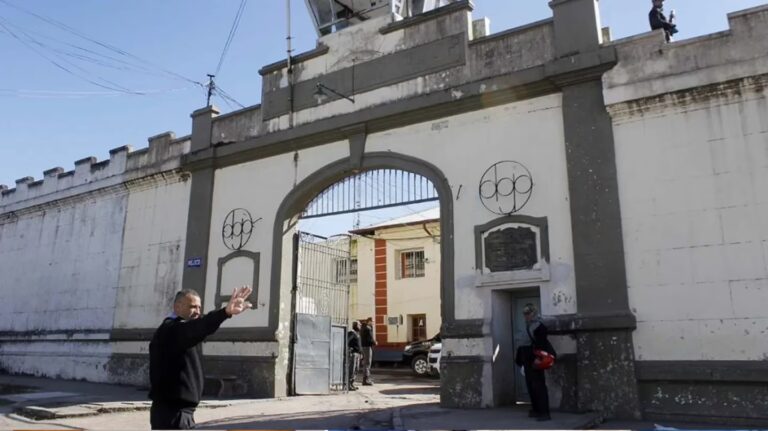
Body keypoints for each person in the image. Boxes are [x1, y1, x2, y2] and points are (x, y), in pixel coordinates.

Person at [149, 286, 253, 429]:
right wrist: (225, 312)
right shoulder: (172, 329)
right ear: (177, 307)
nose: (197, 311)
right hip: (173, 414)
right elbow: (198, 327)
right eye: (193, 307)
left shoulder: (177, 329)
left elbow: (198, 327)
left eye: (199, 307)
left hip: (177, 413)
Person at [515, 303, 556, 422]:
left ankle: (544, 412)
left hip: (535, 359)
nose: (526, 316)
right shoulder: (528, 325)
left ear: (533, 313)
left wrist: (538, 359)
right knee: (530, 386)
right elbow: (523, 343)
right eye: (524, 314)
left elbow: (541, 344)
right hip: (527, 359)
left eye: (528, 313)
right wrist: (520, 360)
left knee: (539, 386)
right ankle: (536, 409)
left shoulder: (539, 326)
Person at [360, 317, 377, 386]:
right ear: (369, 321)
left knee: (365, 363)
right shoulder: (368, 328)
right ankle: (366, 380)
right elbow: (370, 339)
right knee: (367, 363)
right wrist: (374, 342)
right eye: (372, 321)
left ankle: (366, 379)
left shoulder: (363, 328)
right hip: (367, 347)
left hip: (363, 347)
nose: (373, 323)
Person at [347, 320, 362, 390]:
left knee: (356, 369)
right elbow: (347, 341)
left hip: (358, 354)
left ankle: (352, 383)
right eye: (359, 325)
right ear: (356, 326)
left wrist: (361, 353)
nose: (360, 326)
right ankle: (348, 384)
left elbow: (359, 345)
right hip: (353, 354)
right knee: (352, 369)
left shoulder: (357, 334)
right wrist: (350, 348)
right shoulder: (352, 333)